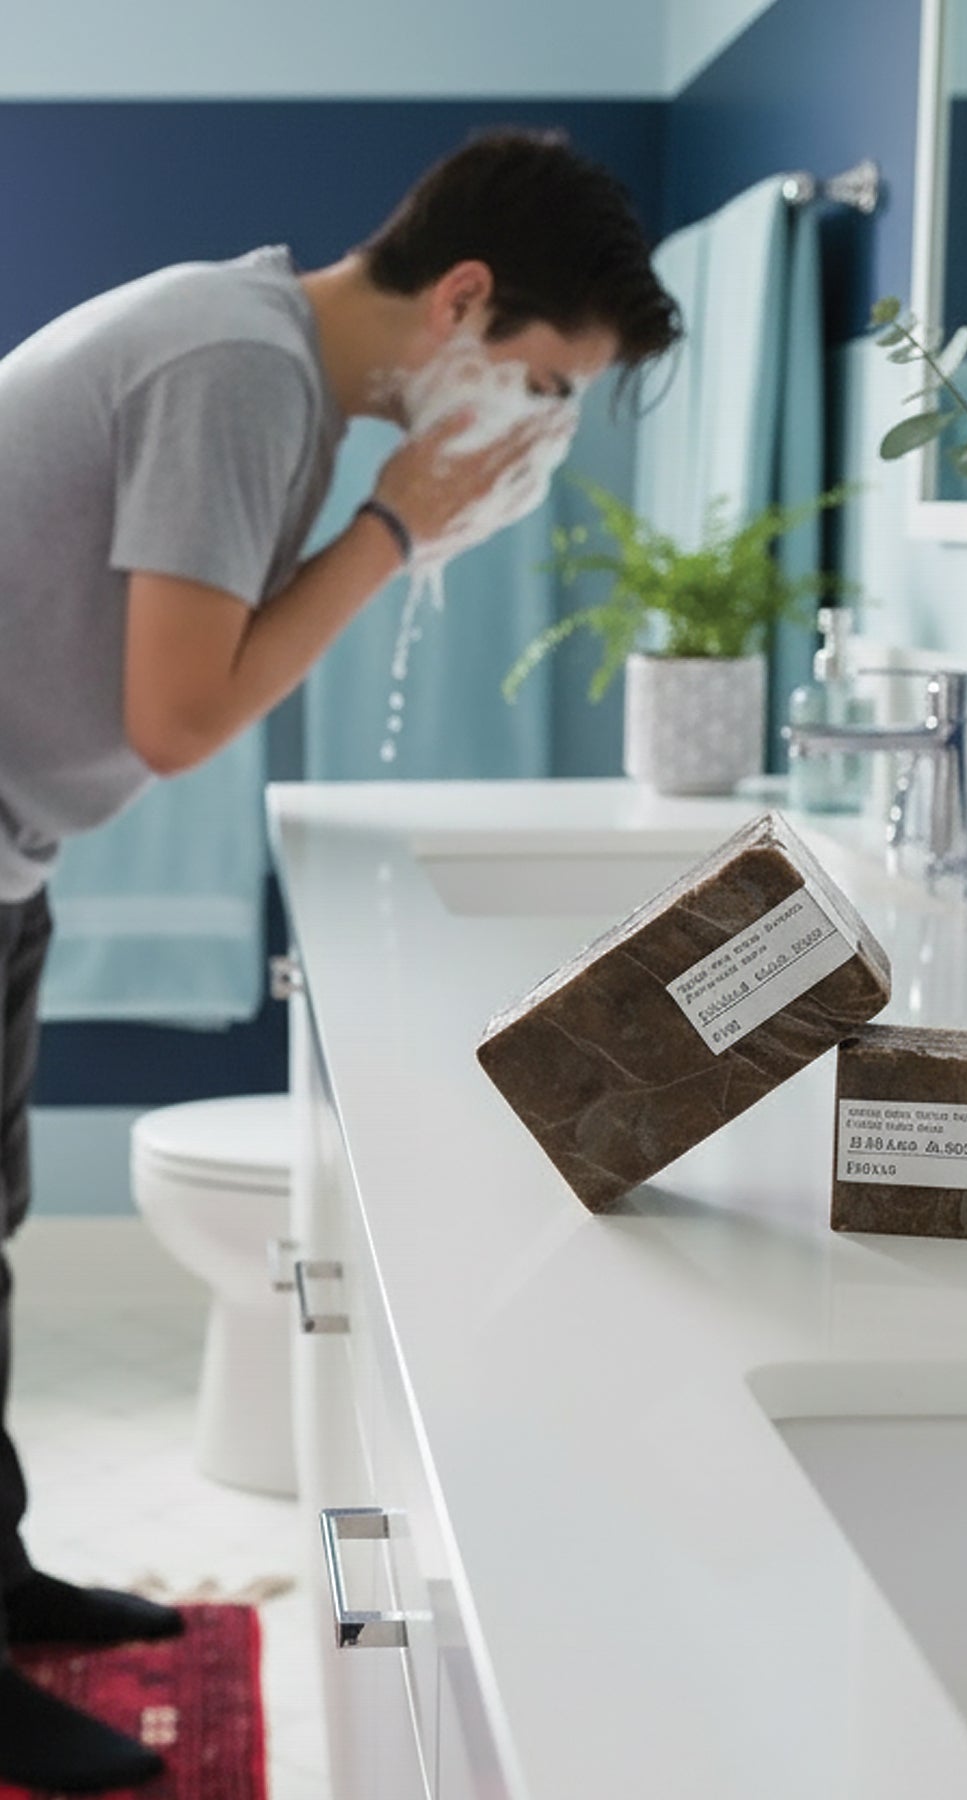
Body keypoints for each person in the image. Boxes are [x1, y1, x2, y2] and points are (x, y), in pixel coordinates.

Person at [0, 125, 681, 1791]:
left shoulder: (266, 363)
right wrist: (394, 525)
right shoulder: (239, 371)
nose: (540, 429)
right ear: (462, 299)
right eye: (544, 382)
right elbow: (179, 718)